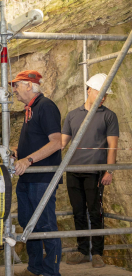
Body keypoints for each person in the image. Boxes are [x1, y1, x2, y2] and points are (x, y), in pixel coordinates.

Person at [62, 73, 119, 268]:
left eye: (105, 94)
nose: (103, 97)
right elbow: (61, 143)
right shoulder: (72, 115)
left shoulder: (109, 116)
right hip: (73, 171)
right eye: (100, 93)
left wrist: (109, 171)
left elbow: (113, 146)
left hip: (95, 171)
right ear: (89, 91)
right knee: (78, 212)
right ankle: (83, 250)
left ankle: (97, 253)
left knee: (95, 212)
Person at [11, 70, 62, 276]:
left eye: (16, 85)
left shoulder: (46, 106)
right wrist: (18, 153)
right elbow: (37, 140)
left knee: (45, 224)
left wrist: (29, 159)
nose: (13, 90)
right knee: (27, 221)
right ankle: (35, 267)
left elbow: (57, 142)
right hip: (28, 177)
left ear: (29, 86)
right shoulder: (30, 109)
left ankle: (50, 271)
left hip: (41, 177)